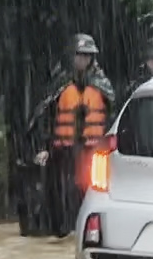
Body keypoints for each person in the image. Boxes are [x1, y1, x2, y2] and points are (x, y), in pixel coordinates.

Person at [25, 34, 116, 238]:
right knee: (61, 193)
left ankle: (87, 231)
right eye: (78, 55)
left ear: (92, 58)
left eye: (86, 56)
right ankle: (62, 230)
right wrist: (43, 147)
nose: (82, 60)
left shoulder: (102, 85)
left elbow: (113, 119)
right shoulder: (60, 83)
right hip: (63, 151)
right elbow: (44, 117)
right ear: (71, 57)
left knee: (89, 191)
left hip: (93, 150)